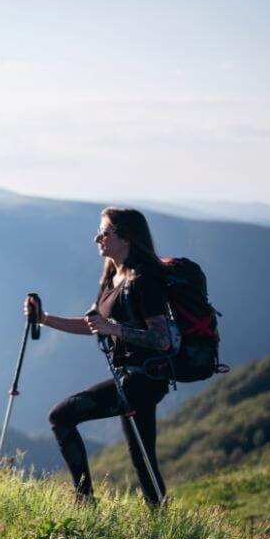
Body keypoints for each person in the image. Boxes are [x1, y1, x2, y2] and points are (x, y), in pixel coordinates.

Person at [26, 208, 173, 508]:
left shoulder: (144, 280)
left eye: (105, 232)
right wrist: (44, 318)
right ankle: (162, 522)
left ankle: (84, 502)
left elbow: (161, 339)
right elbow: (91, 324)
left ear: (126, 237)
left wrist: (114, 328)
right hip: (130, 378)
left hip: (143, 378)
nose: (97, 238)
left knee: (61, 416)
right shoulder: (112, 277)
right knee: (142, 459)